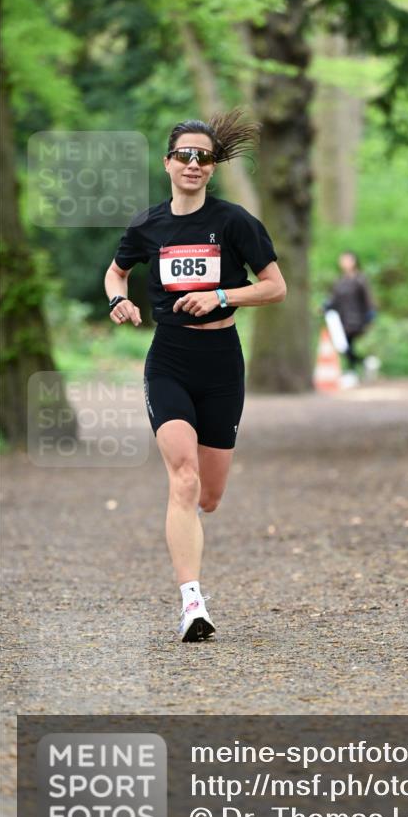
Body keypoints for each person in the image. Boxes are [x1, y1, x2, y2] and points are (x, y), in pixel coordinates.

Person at [104, 109, 286, 642]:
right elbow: (118, 270)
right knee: (182, 476)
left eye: (203, 157)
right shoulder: (147, 225)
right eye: (183, 155)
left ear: (212, 167)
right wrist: (118, 299)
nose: (192, 163)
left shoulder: (235, 223)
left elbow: (276, 287)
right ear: (167, 163)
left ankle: (195, 552)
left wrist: (223, 295)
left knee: (208, 495)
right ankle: (192, 604)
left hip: (222, 362)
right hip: (169, 359)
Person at [324, 251, 377, 374]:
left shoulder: (360, 279)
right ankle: (364, 363)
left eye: (348, 260)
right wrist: (326, 307)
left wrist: (371, 313)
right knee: (345, 346)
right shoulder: (339, 281)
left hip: (357, 319)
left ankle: (353, 370)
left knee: (347, 345)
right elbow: (334, 299)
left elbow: (368, 298)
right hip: (342, 319)